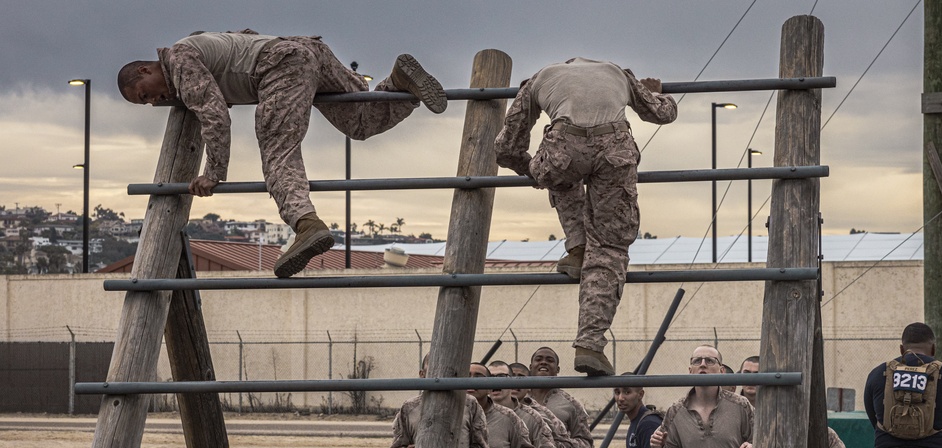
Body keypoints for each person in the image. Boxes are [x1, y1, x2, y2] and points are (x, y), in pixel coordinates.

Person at [119, 30, 446, 278]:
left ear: (147, 70)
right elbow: (243, 39)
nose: (154, 102)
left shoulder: (179, 62)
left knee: (278, 150)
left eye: (145, 94)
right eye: (146, 103)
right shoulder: (195, 44)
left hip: (279, 66)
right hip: (308, 50)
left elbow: (214, 112)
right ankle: (399, 82)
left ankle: (306, 224)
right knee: (360, 121)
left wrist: (214, 172)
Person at [494, 59, 678, 376]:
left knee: (558, 175)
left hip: (562, 145)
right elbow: (663, 114)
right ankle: (590, 344)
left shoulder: (540, 79)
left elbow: (507, 147)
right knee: (609, 247)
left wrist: (534, 172)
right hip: (615, 146)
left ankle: (578, 247)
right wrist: (657, 93)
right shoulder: (618, 73)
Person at [739, 354, 853, 448]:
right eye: (746, 373)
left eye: (757, 374)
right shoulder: (729, 417)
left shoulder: (794, 421)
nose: (751, 378)